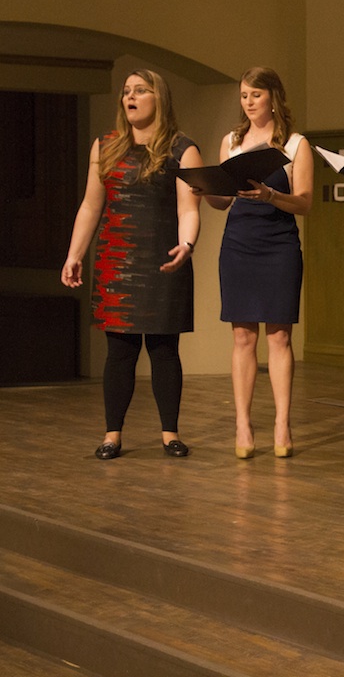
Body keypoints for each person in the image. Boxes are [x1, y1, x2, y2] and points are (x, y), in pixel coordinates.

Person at [61, 69, 203, 459]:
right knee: (119, 350)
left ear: (160, 98)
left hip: (162, 259)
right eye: (126, 91)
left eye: (141, 90)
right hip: (116, 259)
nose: (131, 96)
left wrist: (187, 244)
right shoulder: (105, 146)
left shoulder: (181, 148)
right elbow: (91, 205)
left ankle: (170, 434)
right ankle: (113, 435)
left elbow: (188, 207)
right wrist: (75, 254)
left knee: (163, 349)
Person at [204, 67, 311, 459]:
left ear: (273, 98)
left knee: (279, 336)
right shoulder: (231, 141)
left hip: (279, 243)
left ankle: (282, 422)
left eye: (256, 95)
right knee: (242, 336)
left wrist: (270, 195)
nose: (248, 103)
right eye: (244, 95)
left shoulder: (296, 144)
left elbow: (304, 202)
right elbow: (222, 200)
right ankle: (243, 424)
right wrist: (205, 189)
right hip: (238, 243)